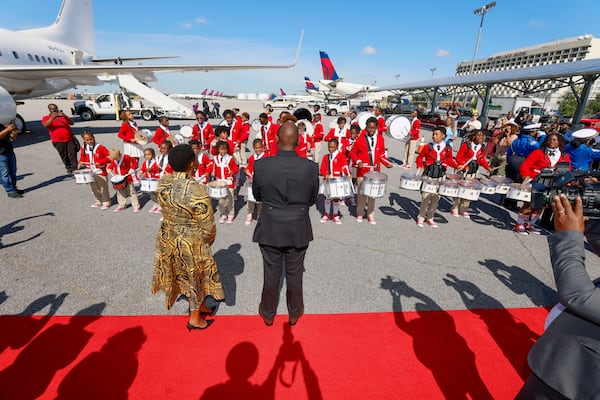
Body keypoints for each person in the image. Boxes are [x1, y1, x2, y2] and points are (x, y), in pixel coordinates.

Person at [516, 195, 600, 399]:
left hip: (576, 382)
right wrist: (587, 214)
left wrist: (569, 237)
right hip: (566, 367)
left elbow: (580, 295)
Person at [252, 122, 319, 326]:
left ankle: (268, 311)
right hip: (298, 224)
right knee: (294, 272)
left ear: (277, 140)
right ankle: (295, 310)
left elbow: (257, 195)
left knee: (271, 272)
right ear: (298, 141)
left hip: (271, 224)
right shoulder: (310, 167)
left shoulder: (261, 165)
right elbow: (312, 198)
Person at [151, 144, 224, 331]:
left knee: (179, 272)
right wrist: (208, 240)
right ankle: (194, 318)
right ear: (193, 163)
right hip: (190, 240)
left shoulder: (164, 181)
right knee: (195, 276)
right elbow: (207, 223)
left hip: (168, 235)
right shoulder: (196, 189)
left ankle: (201, 306)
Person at [515, 133, 571, 235]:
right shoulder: (538, 152)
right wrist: (526, 176)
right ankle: (520, 224)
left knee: (541, 204)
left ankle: (530, 224)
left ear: (560, 142)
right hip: (536, 180)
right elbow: (525, 165)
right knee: (529, 204)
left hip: (552, 183)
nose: (551, 142)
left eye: (554, 140)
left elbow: (566, 171)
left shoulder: (564, 156)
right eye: (549, 140)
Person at [349, 117, 393, 225]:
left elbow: (382, 154)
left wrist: (387, 163)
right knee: (361, 193)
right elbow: (352, 152)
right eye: (369, 127)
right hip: (362, 170)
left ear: (376, 128)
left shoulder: (381, 139)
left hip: (375, 172)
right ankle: (360, 213)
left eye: (373, 128)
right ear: (366, 127)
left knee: (372, 194)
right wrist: (358, 161)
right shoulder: (360, 139)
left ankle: (370, 214)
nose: (371, 130)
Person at [415, 126, 460, 228]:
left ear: (443, 136)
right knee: (425, 197)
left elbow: (449, 160)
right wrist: (419, 165)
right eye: (433, 134)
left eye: (437, 134)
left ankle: (430, 218)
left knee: (436, 198)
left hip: (440, 176)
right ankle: (421, 217)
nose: (434, 136)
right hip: (429, 175)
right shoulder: (428, 147)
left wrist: (457, 166)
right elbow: (420, 157)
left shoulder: (448, 148)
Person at [452, 130, 491, 218]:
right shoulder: (466, 145)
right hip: (464, 170)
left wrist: (487, 167)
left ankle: (464, 209)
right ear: (474, 137)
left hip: (473, 171)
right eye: (479, 136)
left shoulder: (482, 147)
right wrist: (463, 165)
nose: (481, 138)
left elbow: (481, 159)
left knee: (469, 190)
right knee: (460, 188)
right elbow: (458, 157)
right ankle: (455, 207)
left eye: (482, 136)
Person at [320, 138, 351, 224]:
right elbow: (322, 168)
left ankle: (335, 215)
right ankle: (326, 214)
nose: (330, 149)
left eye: (332, 147)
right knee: (327, 198)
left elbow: (345, 166)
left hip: (337, 180)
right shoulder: (326, 157)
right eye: (329, 147)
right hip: (328, 180)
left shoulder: (341, 156)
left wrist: (348, 173)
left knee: (336, 199)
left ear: (337, 147)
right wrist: (325, 173)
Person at [78, 130, 111, 209]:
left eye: (91, 139)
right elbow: (82, 157)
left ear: (93, 138)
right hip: (90, 171)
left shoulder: (100, 147)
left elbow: (109, 158)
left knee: (103, 188)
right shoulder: (83, 147)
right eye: (87, 140)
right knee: (93, 188)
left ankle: (106, 202)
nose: (89, 141)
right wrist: (81, 162)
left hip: (100, 171)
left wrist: (100, 162)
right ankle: (98, 201)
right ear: (84, 140)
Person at [42, 103, 78, 174]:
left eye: (55, 108)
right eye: (52, 109)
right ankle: (68, 166)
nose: (54, 110)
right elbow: (45, 125)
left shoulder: (62, 116)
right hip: (58, 140)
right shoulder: (46, 117)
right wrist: (52, 117)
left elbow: (71, 123)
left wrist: (65, 116)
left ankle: (74, 167)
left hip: (69, 138)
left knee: (72, 152)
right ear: (49, 110)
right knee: (64, 155)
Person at [212, 141, 239, 224]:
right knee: (221, 200)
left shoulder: (230, 158)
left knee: (230, 199)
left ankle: (231, 214)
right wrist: (212, 172)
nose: (223, 151)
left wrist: (232, 172)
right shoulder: (215, 158)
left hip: (229, 182)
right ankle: (223, 214)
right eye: (221, 149)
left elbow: (236, 169)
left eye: (225, 149)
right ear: (218, 150)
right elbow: (213, 167)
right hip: (219, 182)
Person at [107, 149, 141, 213]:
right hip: (119, 178)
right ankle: (122, 205)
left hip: (127, 178)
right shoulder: (114, 159)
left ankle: (136, 206)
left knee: (132, 192)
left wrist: (132, 168)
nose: (115, 160)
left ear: (119, 155)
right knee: (120, 192)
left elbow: (135, 161)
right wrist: (109, 168)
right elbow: (112, 164)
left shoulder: (126, 157)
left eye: (116, 158)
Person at [244, 139, 265, 225]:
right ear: (253, 148)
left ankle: (260, 213)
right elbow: (249, 167)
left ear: (263, 147)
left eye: (260, 147)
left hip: (261, 180)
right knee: (250, 198)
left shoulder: (265, 157)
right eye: (256, 148)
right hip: (252, 179)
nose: (258, 149)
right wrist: (247, 171)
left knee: (260, 199)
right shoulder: (252, 157)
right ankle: (250, 213)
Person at [0, 122, 23, 198]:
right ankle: (10, 191)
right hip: (1, 154)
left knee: (13, 171)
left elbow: (11, 137)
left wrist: (14, 131)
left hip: (9, 151)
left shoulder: (1, 125)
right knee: (4, 174)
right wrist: (7, 129)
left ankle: (13, 188)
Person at [138, 148, 161, 214]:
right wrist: (141, 172)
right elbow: (143, 168)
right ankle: (155, 204)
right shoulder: (145, 162)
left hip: (155, 179)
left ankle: (160, 204)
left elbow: (158, 169)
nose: (147, 156)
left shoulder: (156, 162)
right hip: (148, 179)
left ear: (153, 155)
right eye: (145, 155)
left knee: (157, 193)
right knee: (151, 193)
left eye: (149, 154)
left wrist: (152, 169)